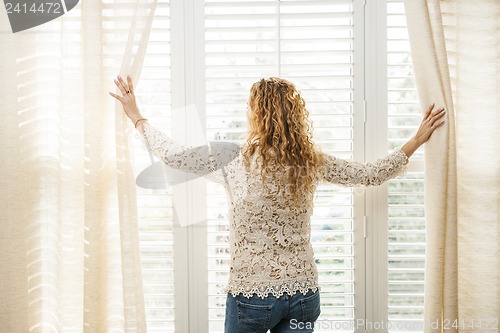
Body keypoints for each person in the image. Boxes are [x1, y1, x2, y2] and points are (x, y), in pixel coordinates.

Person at [110, 75, 445, 333]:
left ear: (257, 115)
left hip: (251, 296)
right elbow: (370, 174)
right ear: (295, 117)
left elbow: (174, 156)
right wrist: (415, 139)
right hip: (303, 294)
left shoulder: (234, 161)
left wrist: (137, 117)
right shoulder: (311, 161)